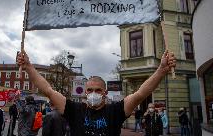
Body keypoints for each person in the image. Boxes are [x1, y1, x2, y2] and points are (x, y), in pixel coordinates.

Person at [16, 50, 176, 136]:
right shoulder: (74, 109)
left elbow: (141, 93)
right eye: (90, 90)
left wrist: (162, 70)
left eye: (98, 90)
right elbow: (48, 90)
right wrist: (29, 66)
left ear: (105, 92)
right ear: (85, 93)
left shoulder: (116, 111)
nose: (94, 93)